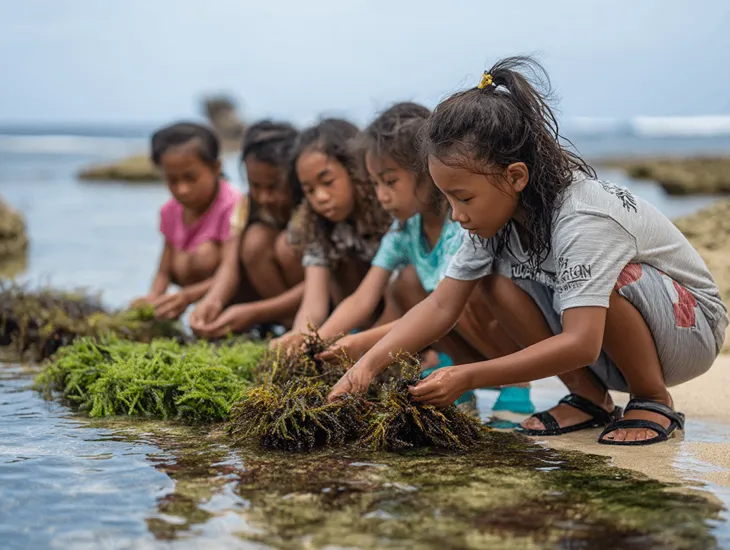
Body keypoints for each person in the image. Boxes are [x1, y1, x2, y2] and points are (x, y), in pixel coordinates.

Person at [328, 56, 728, 446]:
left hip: (688, 333)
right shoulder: (492, 222)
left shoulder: (583, 217)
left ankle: (652, 399)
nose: (456, 215)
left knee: (612, 278)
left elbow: (582, 344)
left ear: (515, 176)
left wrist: (468, 376)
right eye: (447, 199)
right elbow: (440, 307)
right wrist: (367, 365)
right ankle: (590, 399)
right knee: (493, 283)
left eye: (463, 197)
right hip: (611, 347)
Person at [315, 102, 533, 413]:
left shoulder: (460, 223)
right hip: (451, 326)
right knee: (404, 283)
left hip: (502, 332)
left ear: (427, 173)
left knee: (467, 293)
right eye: (375, 183)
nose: (381, 196)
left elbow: (443, 306)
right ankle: (459, 375)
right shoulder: (405, 228)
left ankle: (516, 386)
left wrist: (364, 346)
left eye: (390, 182)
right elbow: (363, 296)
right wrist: (321, 341)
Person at [269, 118, 393, 350]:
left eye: (328, 182)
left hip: (398, 312)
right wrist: (300, 335)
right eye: (309, 190)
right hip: (357, 312)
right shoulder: (319, 225)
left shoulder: (388, 211)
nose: (321, 197)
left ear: (354, 170)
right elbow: (313, 303)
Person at [190, 121, 305, 337]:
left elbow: (323, 280)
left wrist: (255, 313)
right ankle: (289, 325)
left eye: (273, 187)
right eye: (255, 185)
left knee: (286, 246)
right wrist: (212, 301)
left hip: (319, 295)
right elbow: (229, 265)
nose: (263, 197)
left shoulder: (310, 205)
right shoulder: (246, 204)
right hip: (279, 298)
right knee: (254, 241)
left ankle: (308, 323)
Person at [133, 122, 241, 320]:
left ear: (216, 167)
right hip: (193, 291)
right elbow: (164, 270)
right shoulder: (170, 210)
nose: (182, 189)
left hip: (232, 291)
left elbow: (231, 270)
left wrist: (187, 296)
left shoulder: (232, 205)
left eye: (191, 178)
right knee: (181, 258)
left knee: (204, 252)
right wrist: (153, 298)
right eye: (172, 180)